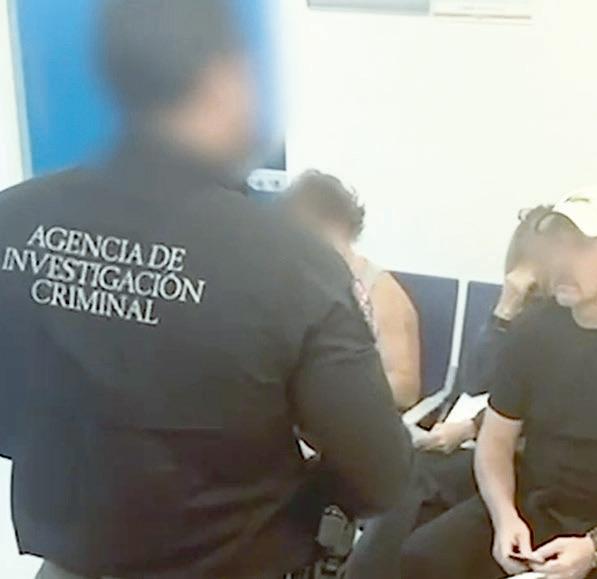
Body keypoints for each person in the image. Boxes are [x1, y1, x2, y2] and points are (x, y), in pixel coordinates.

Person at [0, 2, 412, 578]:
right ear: (224, 78)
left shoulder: (14, 221)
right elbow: (381, 473)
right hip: (236, 560)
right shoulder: (292, 264)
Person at [401, 188, 597, 579]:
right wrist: (505, 519)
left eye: (580, 247)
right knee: (422, 558)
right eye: (557, 246)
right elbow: (495, 442)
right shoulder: (532, 331)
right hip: (540, 504)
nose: (562, 261)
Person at [346, 204, 553, 579]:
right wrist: (505, 309)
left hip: (527, 461)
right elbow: (477, 380)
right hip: (495, 447)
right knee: (411, 490)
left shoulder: (567, 323)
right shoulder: (523, 314)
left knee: (416, 479)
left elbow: (546, 406)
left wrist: (471, 428)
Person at [285, 170, 422, 410]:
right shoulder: (299, 283)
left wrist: (331, 390)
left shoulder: (380, 290)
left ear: (340, 226)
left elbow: (405, 390)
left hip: (355, 417)